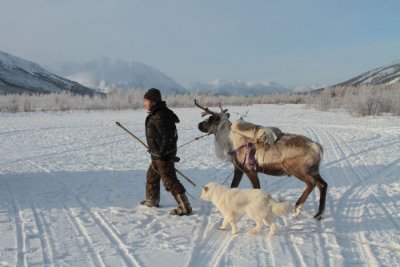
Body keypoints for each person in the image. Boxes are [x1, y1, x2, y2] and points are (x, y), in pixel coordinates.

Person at [141, 88, 192, 216]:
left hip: (162, 155)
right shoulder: (157, 113)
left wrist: (162, 152)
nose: (144, 103)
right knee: (151, 176)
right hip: (157, 153)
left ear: (153, 101)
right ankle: (152, 200)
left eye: (146, 101)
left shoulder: (160, 115)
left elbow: (168, 136)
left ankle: (185, 207)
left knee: (169, 179)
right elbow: (157, 136)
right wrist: (154, 148)